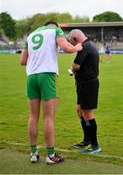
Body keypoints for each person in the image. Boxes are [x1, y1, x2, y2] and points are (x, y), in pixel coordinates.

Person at [20, 22, 82, 164]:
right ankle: (50, 155)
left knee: (33, 116)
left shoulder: (31, 34)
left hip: (31, 76)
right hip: (47, 75)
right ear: (54, 25)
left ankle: (34, 153)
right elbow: (67, 48)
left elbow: (23, 61)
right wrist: (76, 47)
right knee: (49, 117)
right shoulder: (55, 30)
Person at [68, 29, 101, 154]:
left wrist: (72, 69)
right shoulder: (89, 45)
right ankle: (86, 140)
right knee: (80, 111)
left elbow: (76, 65)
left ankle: (95, 146)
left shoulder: (85, 46)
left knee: (88, 114)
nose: (73, 46)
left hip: (88, 85)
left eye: (72, 43)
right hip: (84, 84)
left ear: (76, 39)